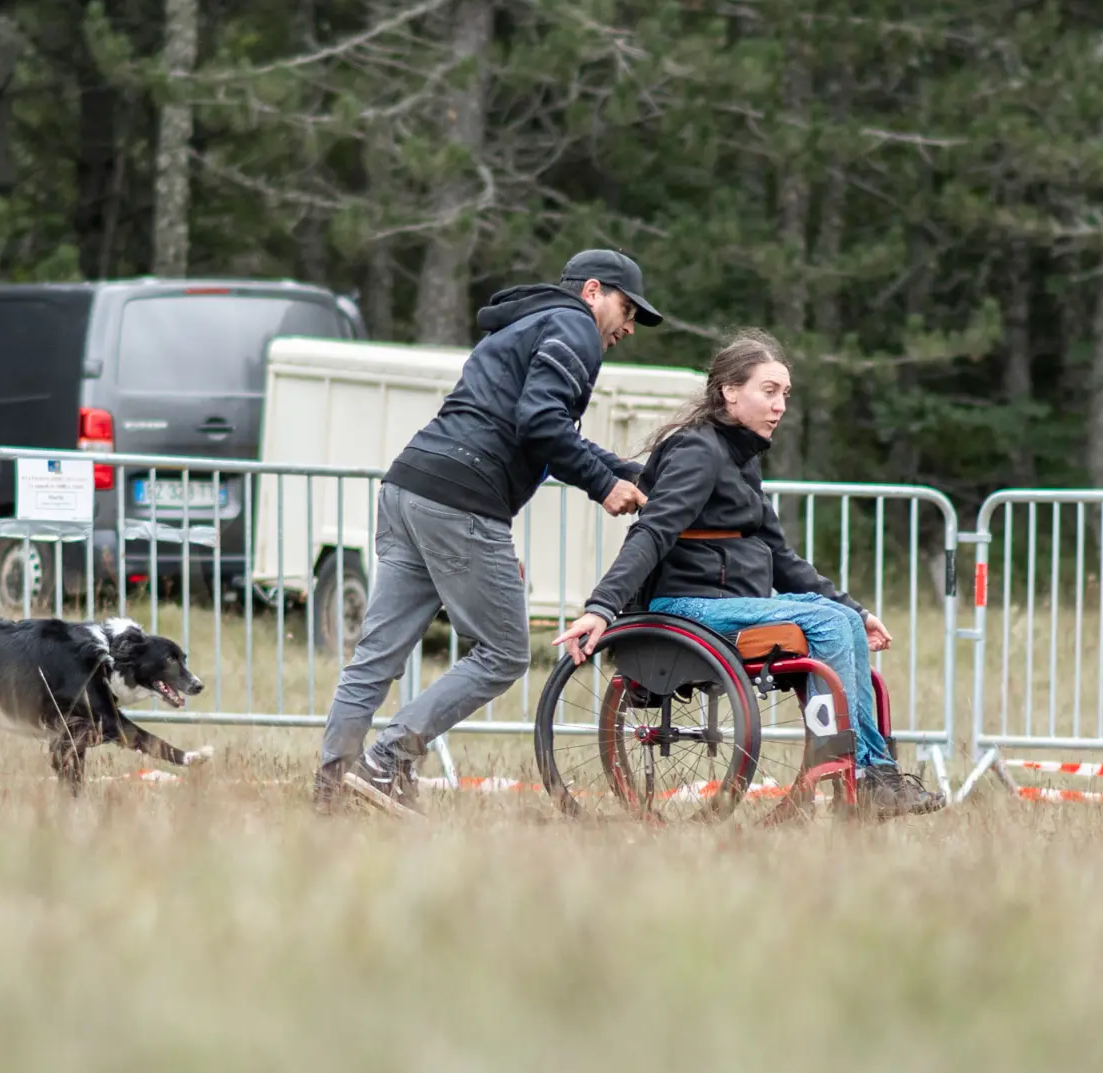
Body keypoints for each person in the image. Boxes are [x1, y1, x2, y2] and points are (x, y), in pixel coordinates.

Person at [316, 249, 663, 810]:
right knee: (503, 653)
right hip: (464, 497)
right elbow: (542, 423)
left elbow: (535, 428)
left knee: (377, 653)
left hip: (410, 482)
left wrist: (625, 470)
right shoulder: (574, 327)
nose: (627, 327)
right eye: (627, 309)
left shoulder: (529, 322)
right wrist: (603, 486)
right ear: (593, 291)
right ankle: (388, 759)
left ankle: (331, 790)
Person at [553, 330, 945, 820]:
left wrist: (857, 610)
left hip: (724, 604)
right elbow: (651, 533)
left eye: (785, 394)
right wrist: (601, 607)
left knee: (840, 620)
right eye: (769, 391)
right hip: (684, 608)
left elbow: (782, 557)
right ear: (729, 392)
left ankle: (873, 775)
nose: (780, 405)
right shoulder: (698, 451)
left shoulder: (741, 459)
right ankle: (864, 774)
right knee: (826, 622)